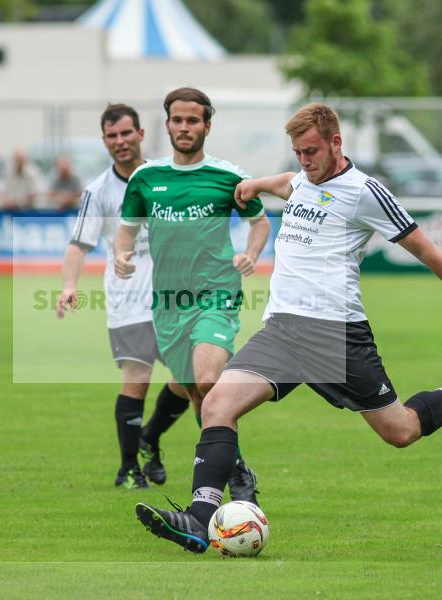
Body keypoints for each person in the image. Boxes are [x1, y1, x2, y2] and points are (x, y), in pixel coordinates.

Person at [134, 103, 442, 553]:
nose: (305, 161)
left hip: (337, 337)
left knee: (400, 431)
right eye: (298, 153)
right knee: (217, 403)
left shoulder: (365, 191)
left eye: (312, 152)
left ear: (336, 143)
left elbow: (426, 249)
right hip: (282, 331)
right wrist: (257, 183)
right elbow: (290, 183)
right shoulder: (303, 177)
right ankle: (198, 518)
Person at [114, 87, 273, 504]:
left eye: (193, 121)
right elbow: (126, 231)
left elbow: (260, 224)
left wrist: (251, 254)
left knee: (207, 380)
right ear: (167, 125)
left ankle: (235, 482)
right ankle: (235, 469)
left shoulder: (227, 177)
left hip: (215, 294)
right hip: (168, 305)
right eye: (178, 120)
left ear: (207, 125)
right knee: (198, 394)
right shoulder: (145, 179)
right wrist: (120, 256)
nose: (185, 128)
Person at [56, 103, 190, 489]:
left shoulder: (165, 176)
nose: (120, 142)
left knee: (192, 377)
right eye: (112, 136)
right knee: (137, 380)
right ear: (104, 141)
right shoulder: (98, 192)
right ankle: (129, 469)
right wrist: (69, 286)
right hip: (128, 299)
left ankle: (150, 437)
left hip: (174, 296)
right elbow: (78, 244)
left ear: (141, 135)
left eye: (126, 133)